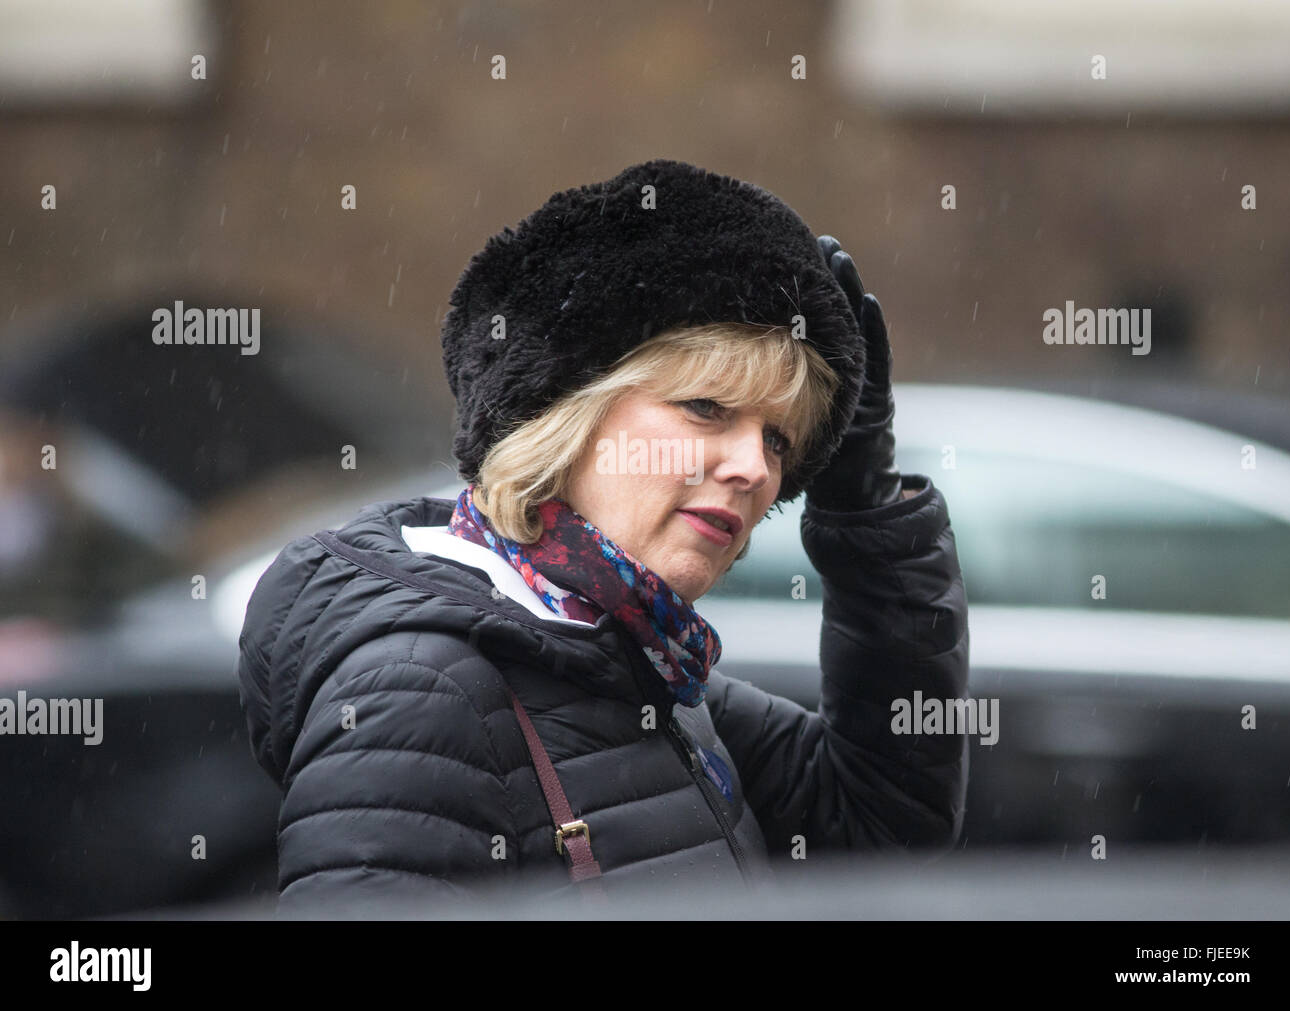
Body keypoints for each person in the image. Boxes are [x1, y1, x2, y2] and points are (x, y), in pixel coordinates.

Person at [236, 158, 969, 916]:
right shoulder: (420, 691)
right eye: (707, 408)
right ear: (568, 414)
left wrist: (864, 500)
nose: (754, 466)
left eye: (779, 440)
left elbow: (882, 825)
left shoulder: (644, 664)